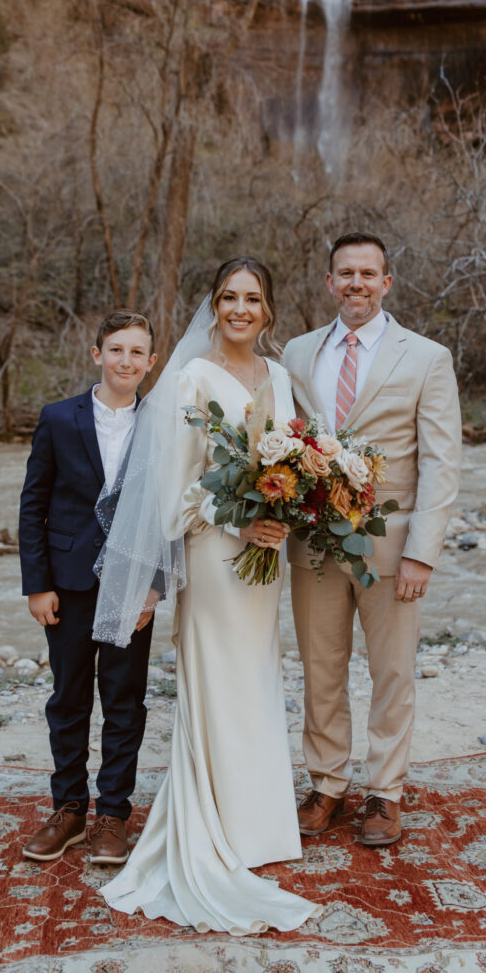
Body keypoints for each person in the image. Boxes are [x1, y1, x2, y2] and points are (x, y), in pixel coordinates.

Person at [93, 258, 320, 935]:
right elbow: (174, 485)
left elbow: (291, 459)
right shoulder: (191, 377)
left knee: (256, 678)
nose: (240, 308)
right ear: (214, 306)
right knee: (218, 680)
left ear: (269, 309)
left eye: (252, 298)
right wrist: (238, 519)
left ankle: (259, 829)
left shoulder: (279, 377)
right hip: (215, 552)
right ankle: (214, 825)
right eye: (228, 297)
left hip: (266, 552)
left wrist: (288, 506)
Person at [281, 233, 461, 847]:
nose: (356, 283)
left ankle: (385, 792)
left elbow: (442, 461)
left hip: (392, 547)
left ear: (387, 282)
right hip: (314, 542)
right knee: (320, 668)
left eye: (368, 273)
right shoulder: (298, 353)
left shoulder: (427, 357)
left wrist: (422, 552)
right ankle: (327, 783)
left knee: (392, 673)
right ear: (329, 283)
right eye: (345, 273)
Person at [18, 311, 158, 864]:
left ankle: (114, 815)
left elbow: (167, 515)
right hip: (69, 583)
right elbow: (34, 504)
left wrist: (153, 589)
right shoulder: (58, 418)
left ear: (152, 362)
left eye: (137, 353)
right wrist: (37, 585)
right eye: (116, 350)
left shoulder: (162, 423)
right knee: (69, 698)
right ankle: (69, 809)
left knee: (124, 701)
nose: (126, 361)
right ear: (97, 353)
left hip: (132, 583)